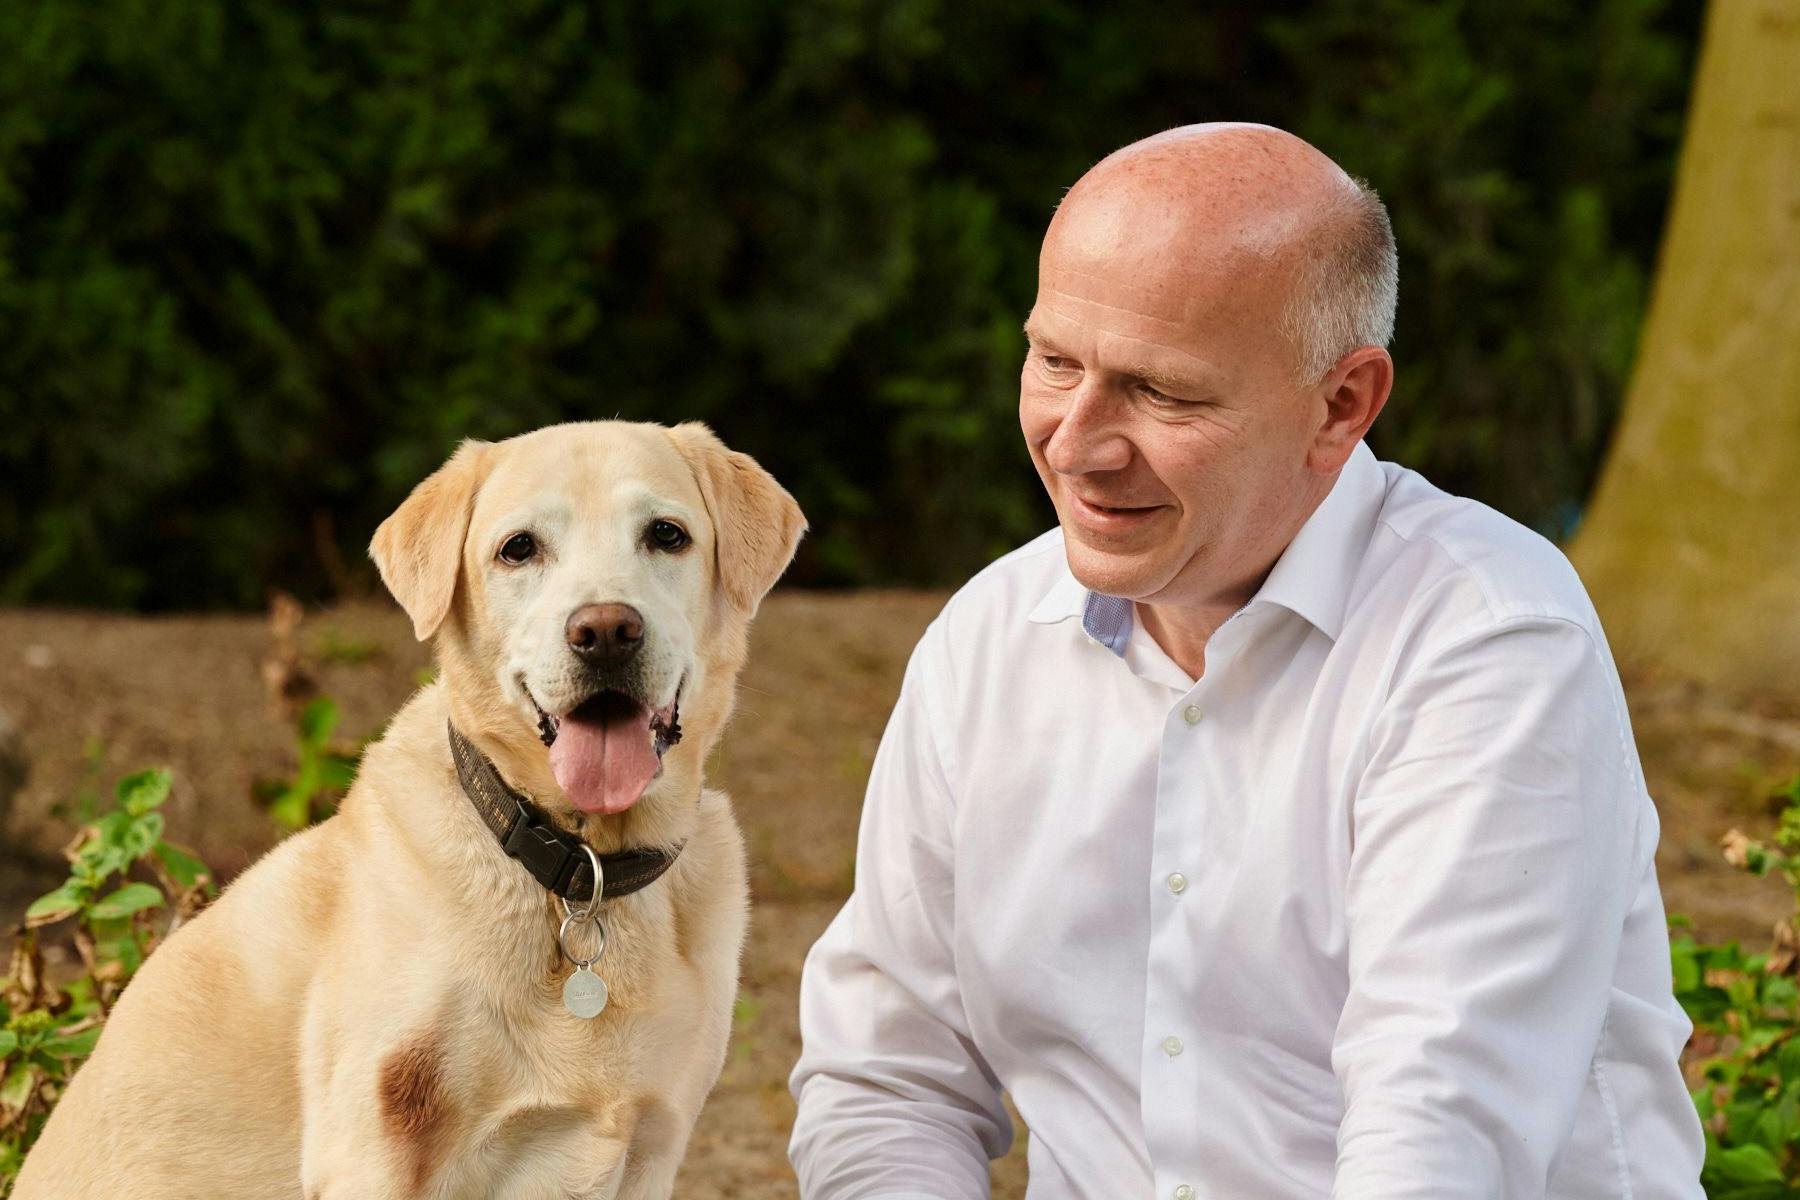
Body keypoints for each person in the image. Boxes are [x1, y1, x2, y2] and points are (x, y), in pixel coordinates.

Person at [787, 123, 1704, 1199]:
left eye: (1161, 391)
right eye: (1054, 360)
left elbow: (1440, 1134)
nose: (1076, 440)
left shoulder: (1490, 644)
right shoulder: (988, 643)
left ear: (1341, 405)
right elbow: (890, 1083)